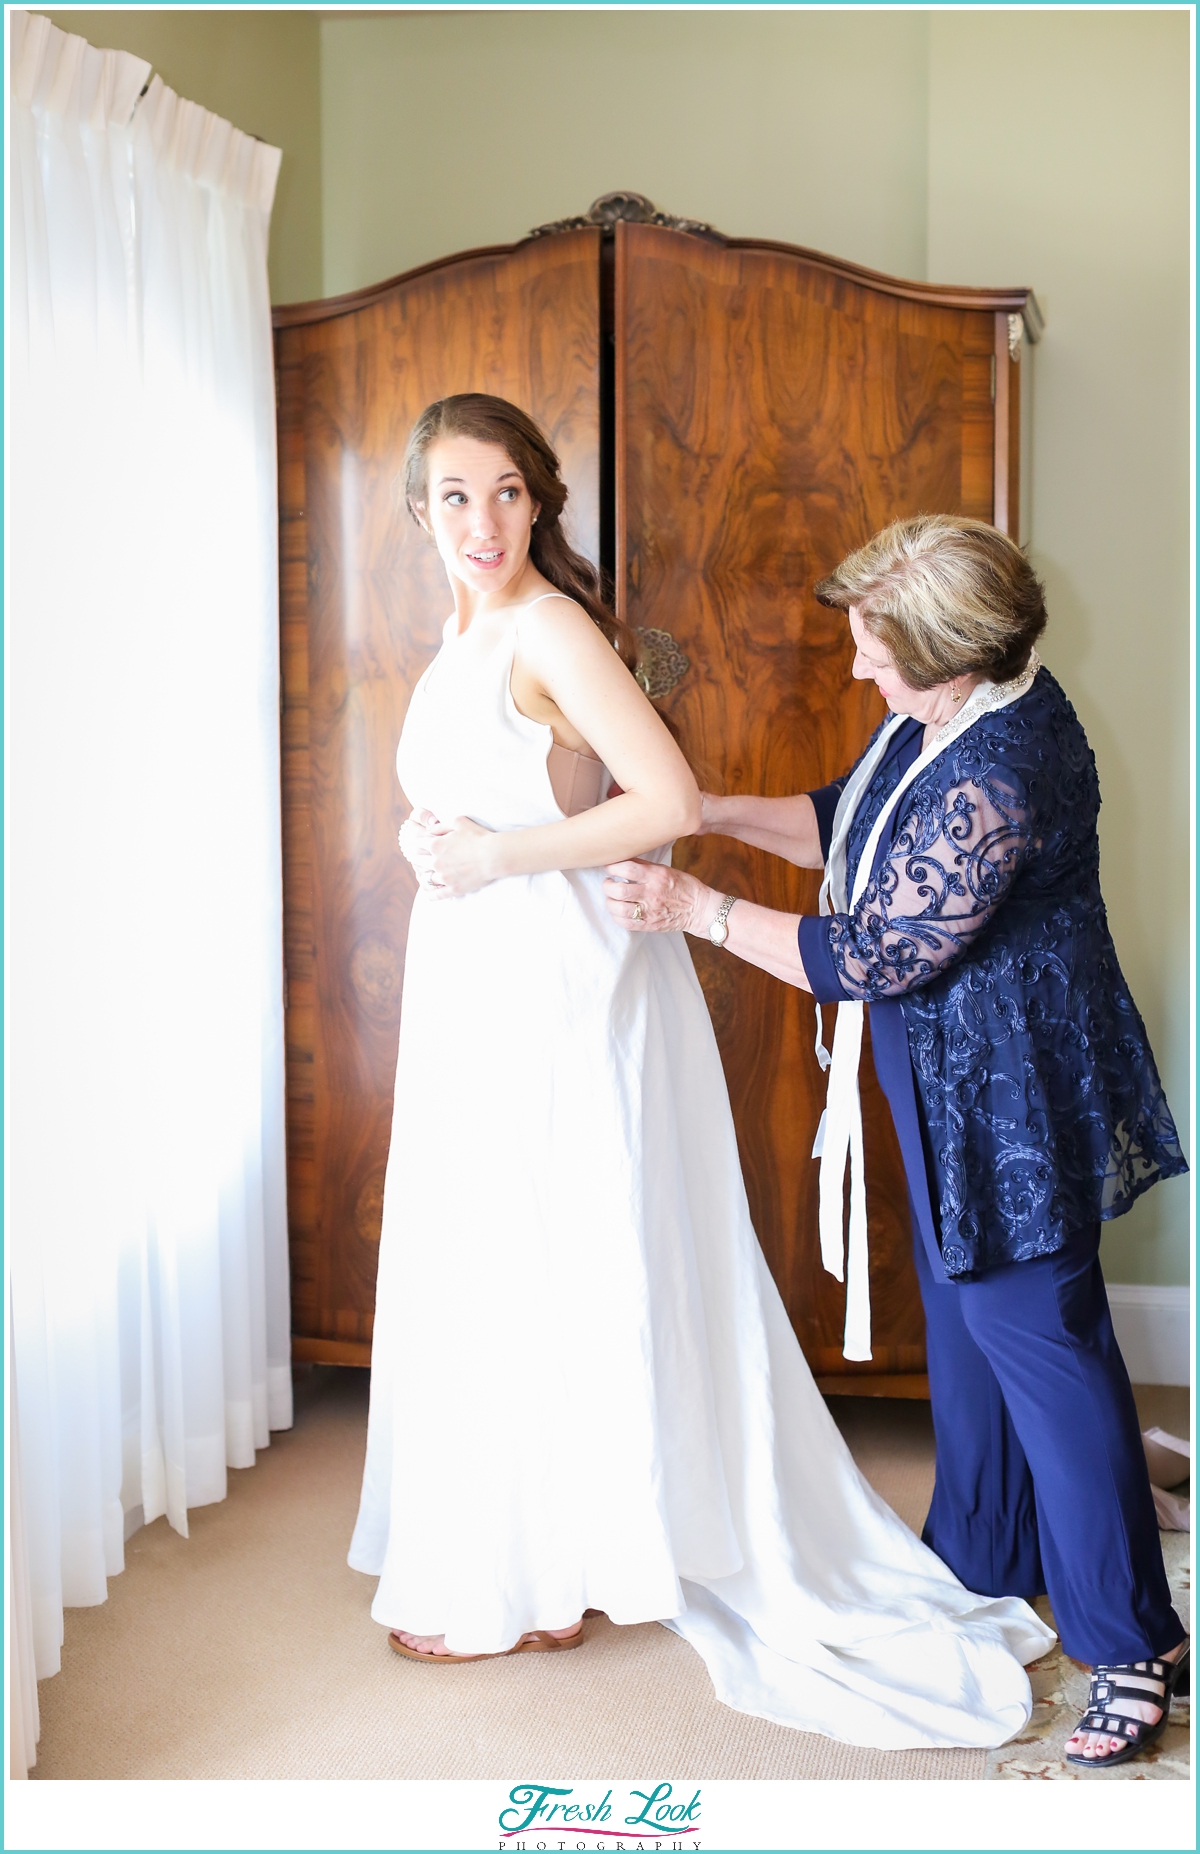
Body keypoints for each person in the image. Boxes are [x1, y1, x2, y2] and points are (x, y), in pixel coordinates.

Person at [349, 396, 1054, 1750]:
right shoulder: (468, 627)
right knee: (512, 1253)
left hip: (558, 978)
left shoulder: (548, 621)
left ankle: (544, 1572)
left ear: (540, 502)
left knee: (559, 1245)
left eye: (505, 493)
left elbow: (665, 799)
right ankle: (545, 1555)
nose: (481, 523)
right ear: (421, 512)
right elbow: (517, 787)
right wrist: (448, 839)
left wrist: (491, 857)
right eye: (453, 497)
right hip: (487, 978)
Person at [603, 513, 1189, 1770]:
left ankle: (1133, 1641)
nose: (861, 672)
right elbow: (848, 824)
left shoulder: (1001, 771)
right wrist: (701, 807)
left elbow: (872, 950)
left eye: (877, 653)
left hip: (1013, 1088)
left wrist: (691, 905)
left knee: (1045, 1342)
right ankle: (984, 1551)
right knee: (971, 1320)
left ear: (954, 656)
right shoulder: (947, 718)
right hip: (946, 1069)